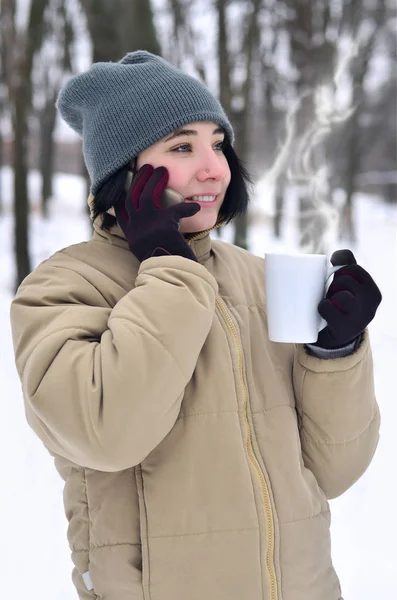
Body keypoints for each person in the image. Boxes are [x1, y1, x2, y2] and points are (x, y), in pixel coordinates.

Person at [10, 51, 382, 600]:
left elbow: (334, 470)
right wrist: (170, 272)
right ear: (125, 173)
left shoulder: (255, 280)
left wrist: (336, 350)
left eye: (218, 143)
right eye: (182, 146)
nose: (215, 167)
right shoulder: (62, 288)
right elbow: (106, 435)